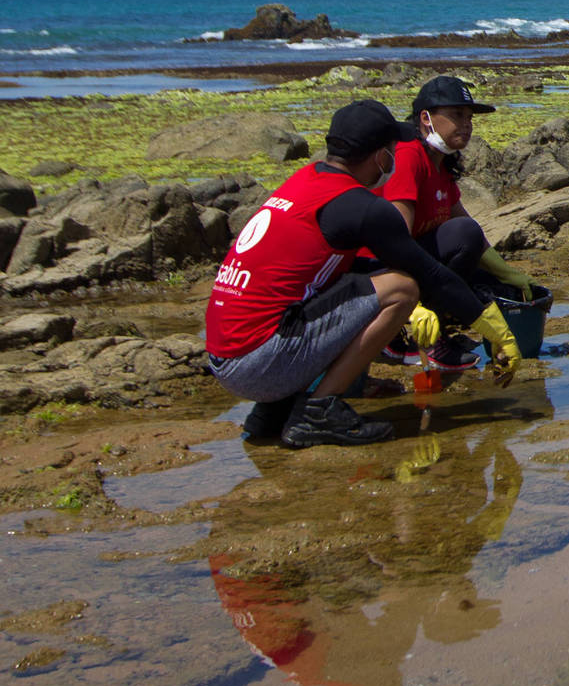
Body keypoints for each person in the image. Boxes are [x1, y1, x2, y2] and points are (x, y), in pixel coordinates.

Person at [205, 100, 519, 449]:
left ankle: (275, 410)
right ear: (380, 157)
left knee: (345, 282)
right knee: (401, 289)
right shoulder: (361, 207)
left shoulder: (304, 181)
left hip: (225, 355)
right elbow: (428, 273)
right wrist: (494, 327)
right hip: (258, 363)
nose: (395, 157)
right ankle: (317, 412)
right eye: (391, 149)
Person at [379, 75, 534, 367]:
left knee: (483, 273)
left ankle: (441, 328)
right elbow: (393, 239)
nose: (466, 124)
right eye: (457, 115)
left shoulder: (441, 163)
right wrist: (411, 306)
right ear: (426, 118)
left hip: (415, 266)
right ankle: (416, 337)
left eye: (469, 117)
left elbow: (464, 222)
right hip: (380, 272)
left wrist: (508, 272)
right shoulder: (409, 156)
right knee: (464, 235)